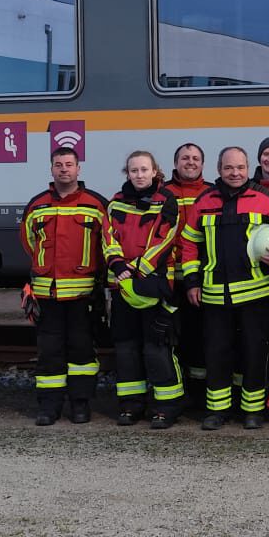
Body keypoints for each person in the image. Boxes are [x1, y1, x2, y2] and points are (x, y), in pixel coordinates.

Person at [178, 146, 269, 429]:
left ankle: (253, 410)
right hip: (213, 293)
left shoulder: (265, 198)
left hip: (256, 293)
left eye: (240, 168)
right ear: (219, 170)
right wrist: (192, 282)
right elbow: (189, 245)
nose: (235, 173)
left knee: (254, 351)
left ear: (248, 168)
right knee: (216, 351)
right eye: (229, 168)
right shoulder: (204, 201)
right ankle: (217, 410)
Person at [20, 140, 110, 427]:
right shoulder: (37, 205)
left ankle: (81, 405)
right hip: (47, 295)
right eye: (58, 165)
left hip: (83, 295)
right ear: (51, 169)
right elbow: (28, 242)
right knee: (49, 353)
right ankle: (49, 406)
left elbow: (106, 244)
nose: (64, 170)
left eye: (69, 164)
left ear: (78, 168)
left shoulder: (96, 204)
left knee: (82, 352)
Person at [104, 149, 185, 428]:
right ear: (128, 173)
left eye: (144, 170)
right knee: (126, 347)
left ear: (155, 172)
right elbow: (108, 236)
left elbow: (166, 239)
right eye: (134, 170)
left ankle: (166, 407)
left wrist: (136, 269)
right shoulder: (115, 203)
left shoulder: (167, 201)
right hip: (122, 285)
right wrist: (116, 265)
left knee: (157, 347)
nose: (139, 175)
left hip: (154, 283)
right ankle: (131, 405)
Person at [164, 143, 211, 402]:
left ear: (202, 164)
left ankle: (198, 394)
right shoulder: (163, 193)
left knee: (199, 338)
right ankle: (174, 392)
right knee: (171, 339)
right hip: (169, 280)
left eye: (195, 158)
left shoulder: (212, 193)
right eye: (185, 158)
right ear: (176, 163)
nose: (190, 162)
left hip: (200, 280)